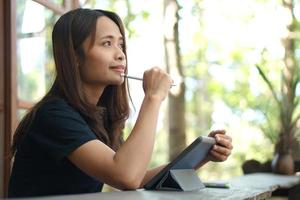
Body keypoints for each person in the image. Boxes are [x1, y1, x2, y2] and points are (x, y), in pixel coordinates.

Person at [8, 8, 233, 197]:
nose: (120, 55)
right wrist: (153, 97)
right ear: (75, 56)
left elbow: (138, 177)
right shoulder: (53, 114)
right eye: (107, 44)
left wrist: (200, 156)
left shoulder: (99, 117)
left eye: (121, 45)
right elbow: (127, 176)